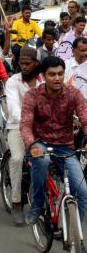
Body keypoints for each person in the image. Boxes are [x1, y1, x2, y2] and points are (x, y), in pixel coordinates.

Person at [20, 56, 87, 224]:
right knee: (42, 161)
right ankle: (37, 205)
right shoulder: (32, 95)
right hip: (39, 144)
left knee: (83, 191)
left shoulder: (74, 94)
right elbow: (26, 125)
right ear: (43, 76)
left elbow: (85, 118)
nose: (57, 78)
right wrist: (32, 144)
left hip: (65, 147)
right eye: (52, 74)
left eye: (60, 74)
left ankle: (75, 236)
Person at [5, 47, 43, 225]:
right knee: (18, 159)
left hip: (43, 128)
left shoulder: (45, 80)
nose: (24, 67)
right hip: (17, 127)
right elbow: (13, 109)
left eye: (28, 64)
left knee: (52, 160)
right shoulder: (13, 81)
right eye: (21, 63)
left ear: (36, 63)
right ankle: (17, 201)